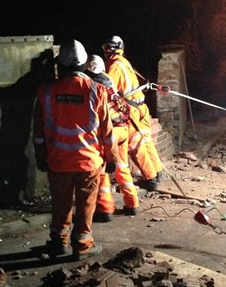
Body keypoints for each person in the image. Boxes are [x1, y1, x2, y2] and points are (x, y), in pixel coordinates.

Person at [32, 39, 118, 259]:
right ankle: (82, 246)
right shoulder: (96, 90)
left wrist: (41, 157)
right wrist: (111, 158)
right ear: (83, 65)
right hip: (88, 163)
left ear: (59, 66)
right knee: (86, 205)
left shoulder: (46, 92)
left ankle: (59, 243)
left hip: (59, 161)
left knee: (60, 205)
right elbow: (107, 132)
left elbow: (39, 132)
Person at [102, 35, 163, 191]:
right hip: (141, 106)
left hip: (132, 109)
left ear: (114, 49)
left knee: (135, 144)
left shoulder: (115, 66)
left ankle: (150, 179)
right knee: (145, 140)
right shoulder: (125, 63)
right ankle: (157, 171)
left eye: (108, 48)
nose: (106, 51)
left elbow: (108, 89)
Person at [86, 54, 140, 218]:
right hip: (123, 129)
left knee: (101, 170)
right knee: (122, 166)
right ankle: (132, 204)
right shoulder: (109, 82)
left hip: (111, 133)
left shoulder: (92, 86)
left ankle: (105, 209)